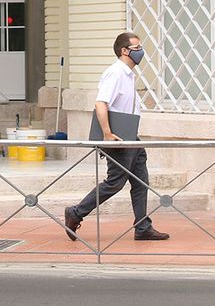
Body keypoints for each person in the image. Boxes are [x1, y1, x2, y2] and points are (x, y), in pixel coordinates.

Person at [64, 32, 171, 243]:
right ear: (124, 50)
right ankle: (76, 212)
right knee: (114, 183)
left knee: (141, 182)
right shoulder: (115, 73)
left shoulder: (128, 74)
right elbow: (101, 103)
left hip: (130, 136)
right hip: (118, 138)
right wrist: (107, 134)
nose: (141, 52)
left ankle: (143, 227)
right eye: (136, 48)